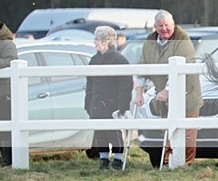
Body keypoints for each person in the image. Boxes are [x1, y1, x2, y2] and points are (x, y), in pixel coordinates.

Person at [133, 10, 203, 167]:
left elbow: (182, 67)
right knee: (169, 132)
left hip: (187, 95)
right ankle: (167, 164)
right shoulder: (150, 41)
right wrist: (139, 92)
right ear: (155, 27)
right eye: (160, 26)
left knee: (187, 134)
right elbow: (142, 67)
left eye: (167, 25)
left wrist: (167, 90)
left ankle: (184, 166)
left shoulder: (182, 39)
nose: (164, 29)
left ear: (173, 24)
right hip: (164, 100)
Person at [85, 26, 132, 170]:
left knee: (114, 132)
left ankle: (118, 159)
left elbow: (126, 85)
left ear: (106, 41)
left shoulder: (119, 59)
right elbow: (90, 83)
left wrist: (122, 105)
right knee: (99, 132)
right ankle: (103, 158)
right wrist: (88, 102)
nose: (94, 42)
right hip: (96, 103)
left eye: (97, 39)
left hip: (112, 104)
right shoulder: (94, 60)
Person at [0, 15, 18, 167]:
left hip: (1, 94)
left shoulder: (7, 43)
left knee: (4, 132)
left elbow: (12, 61)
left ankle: (8, 163)